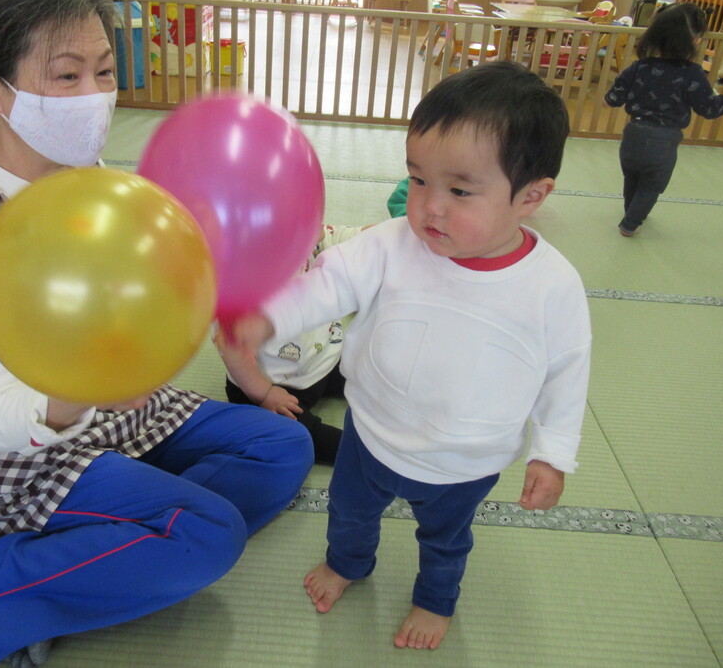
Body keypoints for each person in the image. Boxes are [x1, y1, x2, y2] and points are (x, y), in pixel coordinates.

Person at [0, 0, 312, 668]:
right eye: (66, 75)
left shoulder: (90, 178)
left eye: (104, 71)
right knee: (209, 535)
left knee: (283, 446)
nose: (95, 96)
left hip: (116, 411)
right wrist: (81, 395)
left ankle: (85, 559)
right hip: (0, 449)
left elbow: (141, 302)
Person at [228, 62, 592, 650]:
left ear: (531, 196)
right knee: (348, 514)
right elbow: (327, 283)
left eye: (460, 190)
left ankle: (434, 600)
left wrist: (553, 454)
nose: (429, 207)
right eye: (418, 180)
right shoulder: (393, 242)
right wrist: (267, 317)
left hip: (464, 460)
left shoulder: (553, 286)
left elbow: (567, 373)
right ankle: (348, 564)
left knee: (446, 539)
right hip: (370, 433)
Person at [215, 224, 365, 465]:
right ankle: (361, 455)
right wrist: (264, 393)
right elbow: (231, 347)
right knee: (298, 436)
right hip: (270, 386)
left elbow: (336, 236)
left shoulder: (306, 239)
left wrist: (373, 235)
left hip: (325, 358)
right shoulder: (242, 279)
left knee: (372, 372)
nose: (318, 231)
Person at [604, 3, 723, 237]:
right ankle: (630, 224)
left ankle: (633, 212)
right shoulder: (692, 73)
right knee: (652, 184)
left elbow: (611, 99)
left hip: (633, 133)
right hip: (664, 139)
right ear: (696, 40)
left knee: (633, 177)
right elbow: (708, 108)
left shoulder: (638, 67)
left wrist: (614, 98)